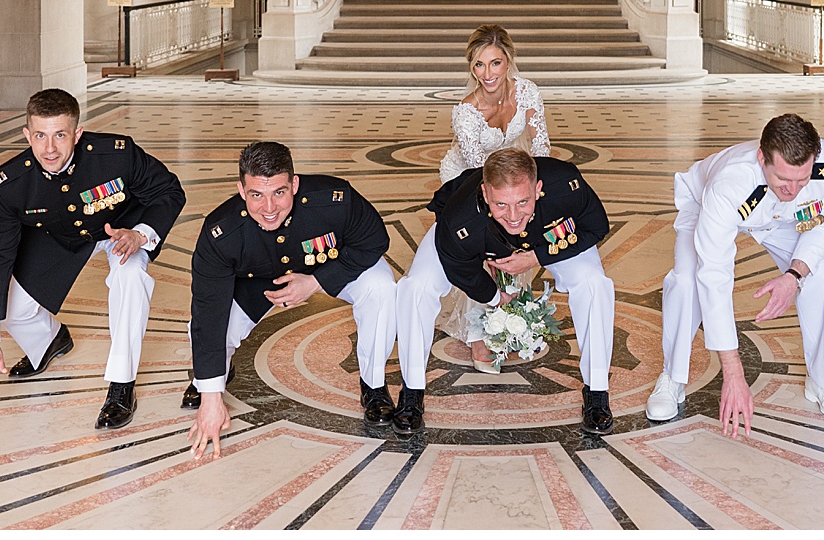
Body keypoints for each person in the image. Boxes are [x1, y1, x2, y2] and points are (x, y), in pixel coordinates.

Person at [0, 88, 184, 430]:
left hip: (122, 231)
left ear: (78, 134)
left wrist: (141, 233)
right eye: (40, 136)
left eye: (60, 135)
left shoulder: (117, 154)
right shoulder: (11, 182)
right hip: (59, 238)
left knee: (130, 278)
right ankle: (51, 339)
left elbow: (169, 190)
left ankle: (121, 385)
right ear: (27, 134)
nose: (50, 148)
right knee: (10, 310)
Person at [184, 141, 399, 460]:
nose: (269, 207)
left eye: (279, 192)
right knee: (203, 329)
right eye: (256, 194)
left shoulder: (333, 199)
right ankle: (214, 376)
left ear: (295, 184)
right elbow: (208, 311)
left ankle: (374, 385)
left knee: (381, 285)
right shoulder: (221, 232)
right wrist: (211, 397)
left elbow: (374, 241)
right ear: (241, 190)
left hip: (324, 267)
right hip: (258, 283)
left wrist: (315, 282)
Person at [647, 113, 824, 431]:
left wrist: (793, 276)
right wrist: (732, 373)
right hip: (705, 204)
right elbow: (714, 275)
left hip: (784, 220)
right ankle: (671, 377)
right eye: (784, 179)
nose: (794, 188)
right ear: (762, 158)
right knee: (687, 279)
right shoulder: (730, 182)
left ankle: (821, 379)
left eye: (802, 179)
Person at [395, 148, 616, 436]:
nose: (513, 216)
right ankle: (411, 393)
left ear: (538, 189)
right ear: (485, 194)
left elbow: (596, 226)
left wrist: (537, 256)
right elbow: (458, 266)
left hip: (542, 241)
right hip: (474, 236)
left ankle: (597, 393)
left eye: (523, 201)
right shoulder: (459, 217)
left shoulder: (566, 186)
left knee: (594, 284)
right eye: (501, 204)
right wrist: (497, 297)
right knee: (416, 289)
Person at [435, 25, 553, 367]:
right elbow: (478, 176)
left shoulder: (527, 92)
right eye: (479, 65)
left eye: (496, 63)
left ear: (509, 61)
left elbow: (541, 145)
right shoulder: (466, 113)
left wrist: (532, 191)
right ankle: (478, 334)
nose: (487, 74)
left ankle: (512, 314)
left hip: (513, 173)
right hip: (467, 179)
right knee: (482, 244)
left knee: (520, 231)